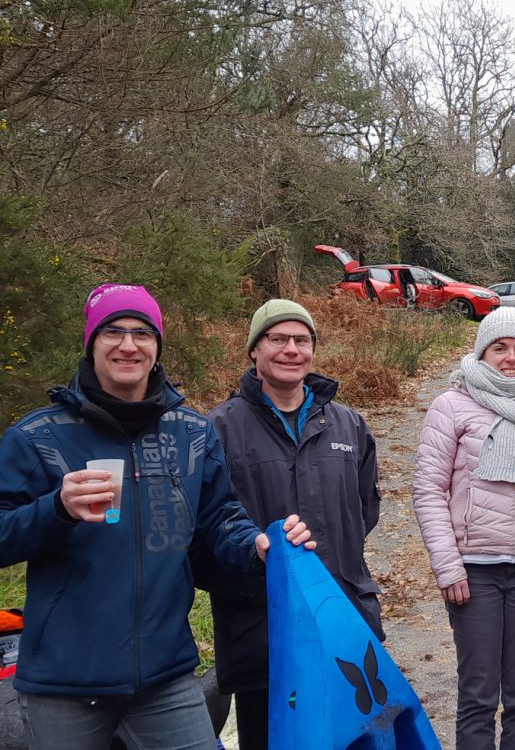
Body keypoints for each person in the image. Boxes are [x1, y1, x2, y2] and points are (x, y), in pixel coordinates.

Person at [0, 283, 313, 750]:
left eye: (142, 333)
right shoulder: (38, 436)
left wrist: (255, 546)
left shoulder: (192, 433)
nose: (128, 345)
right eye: (113, 331)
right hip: (62, 683)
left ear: (157, 345)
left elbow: (219, 521)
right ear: (92, 343)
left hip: (165, 678)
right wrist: (56, 510)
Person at [207, 298, 383, 750]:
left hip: (343, 618)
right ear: (254, 351)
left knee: (351, 737)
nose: (291, 350)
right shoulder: (219, 430)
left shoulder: (349, 425)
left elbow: (364, 510)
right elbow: (208, 527)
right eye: (278, 339)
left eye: (301, 340)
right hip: (263, 630)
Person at [412, 306, 515, 750]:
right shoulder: (452, 406)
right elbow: (427, 490)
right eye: (500, 347)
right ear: (482, 352)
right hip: (473, 571)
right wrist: (448, 565)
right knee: (478, 694)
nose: (511, 357)